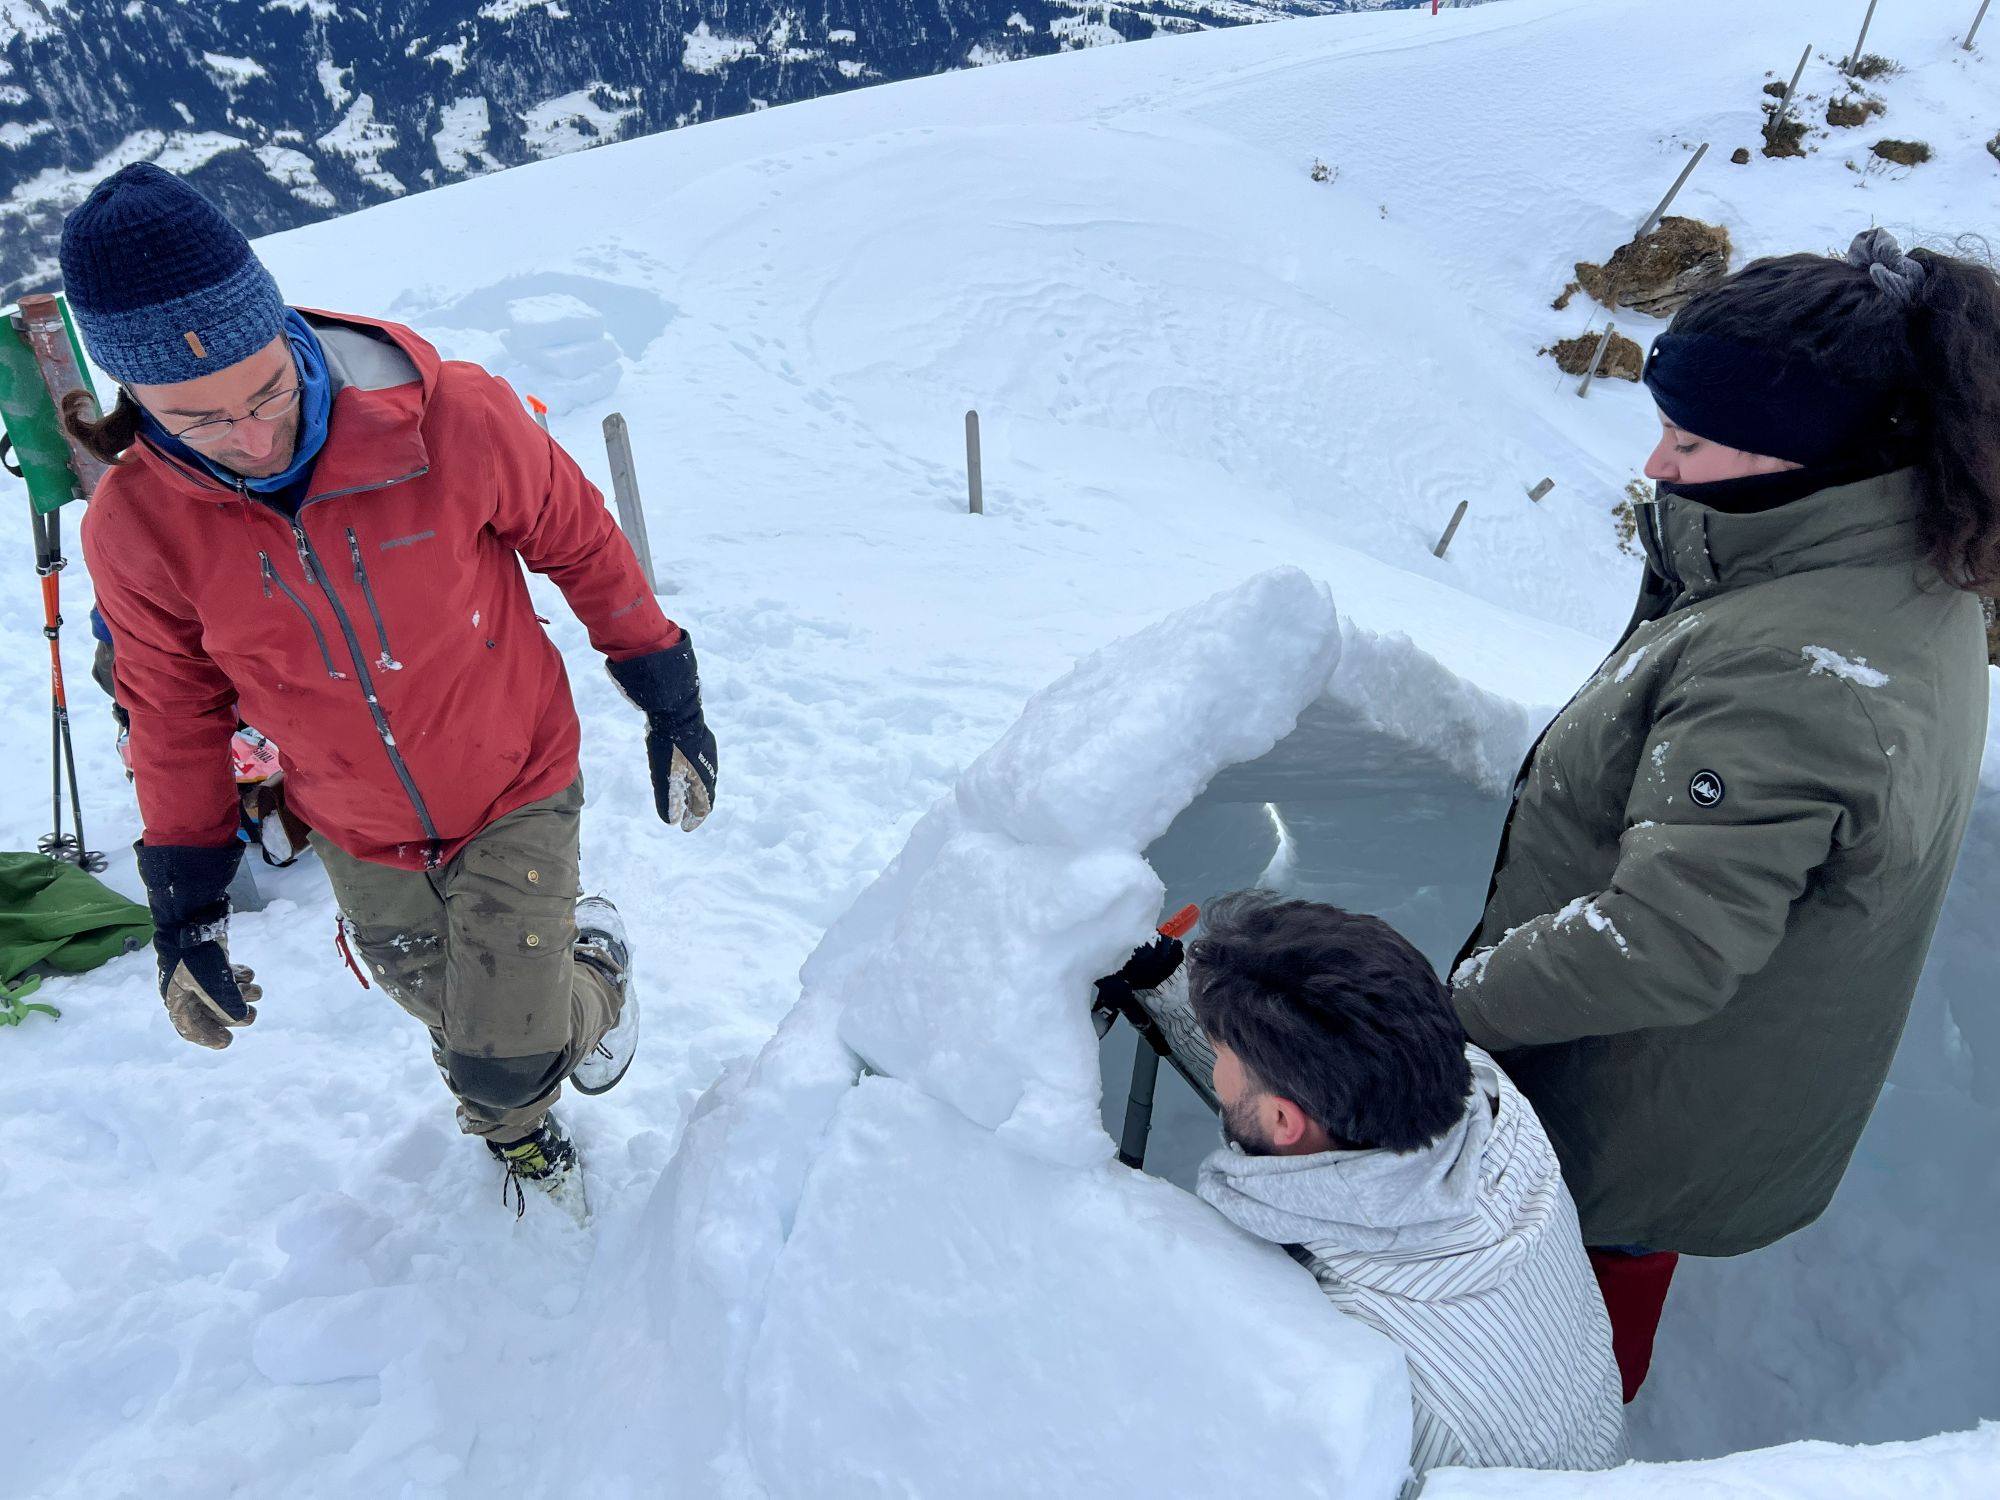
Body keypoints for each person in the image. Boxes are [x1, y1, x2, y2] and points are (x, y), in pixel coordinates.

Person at [61, 163, 718, 1211]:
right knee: (448, 1010)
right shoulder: (136, 528)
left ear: (283, 326)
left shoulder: (447, 417)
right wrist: (186, 912)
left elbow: (581, 541)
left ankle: (554, 1043)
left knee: (504, 1049)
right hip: (356, 823)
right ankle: (519, 1076)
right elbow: (173, 718)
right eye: (201, 418)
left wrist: (663, 686)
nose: (254, 434)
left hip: (513, 780)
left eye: (267, 387)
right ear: (133, 400)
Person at [1450, 230, 1998, 1400]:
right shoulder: (1893, 564)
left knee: (1547, 1364)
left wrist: (1444, 1011)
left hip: (1632, 1114)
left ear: (1810, 459)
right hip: (1697, 1088)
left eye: (1690, 440)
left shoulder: (1796, 666)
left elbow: (1661, 944)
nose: (1654, 462)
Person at [1099, 891, 1626, 1485]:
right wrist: (1172, 989)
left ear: (1283, 1121)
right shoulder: (1487, 1103)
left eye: (1223, 1054)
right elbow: (1311, 1095)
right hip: (1591, 1437)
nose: (1220, 1064)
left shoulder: (1348, 1349)